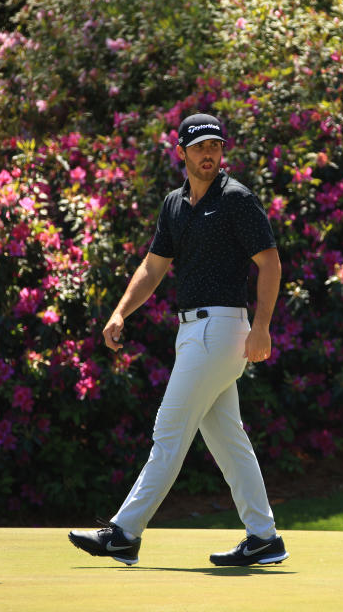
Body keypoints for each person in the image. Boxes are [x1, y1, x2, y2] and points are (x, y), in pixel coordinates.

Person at [68, 113, 288, 567]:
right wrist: (120, 311)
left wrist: (262, 326)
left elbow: (270, 263)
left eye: (216, 146)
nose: (209, 154)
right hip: (192, 331)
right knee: (228, 439)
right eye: (200, 147)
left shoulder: (236, 199)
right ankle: (264, 538)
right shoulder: (173, 204)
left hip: (222, 328)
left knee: (168, 432)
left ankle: (124, 533)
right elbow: (152, 267)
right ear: (182, 153)